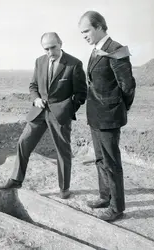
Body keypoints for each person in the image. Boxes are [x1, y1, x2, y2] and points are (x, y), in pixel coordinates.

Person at [0, 32, 87, 199]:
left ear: (60, 43)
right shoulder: (40, 61)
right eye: (46, 48)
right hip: (39, 112)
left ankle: (64, 188)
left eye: (53, 47)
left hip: (60, 115)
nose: (50, 52)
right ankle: (16, 179)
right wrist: (36, 98)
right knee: (23, 142)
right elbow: (33, 86)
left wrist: (67, 109)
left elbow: (81, 93)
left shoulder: (74, 64)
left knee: (63, 151)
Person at [78, 11, 136, 221]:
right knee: (100, 159)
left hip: (109, 117)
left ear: (100, 27)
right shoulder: (96, 50)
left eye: (86, 31)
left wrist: (120, 108)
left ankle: (117, 208)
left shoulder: (115, 50)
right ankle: (105, 197)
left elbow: (128, 86)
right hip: (96, 117)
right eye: (81, 32)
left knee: (112, 163)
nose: (83, 35)